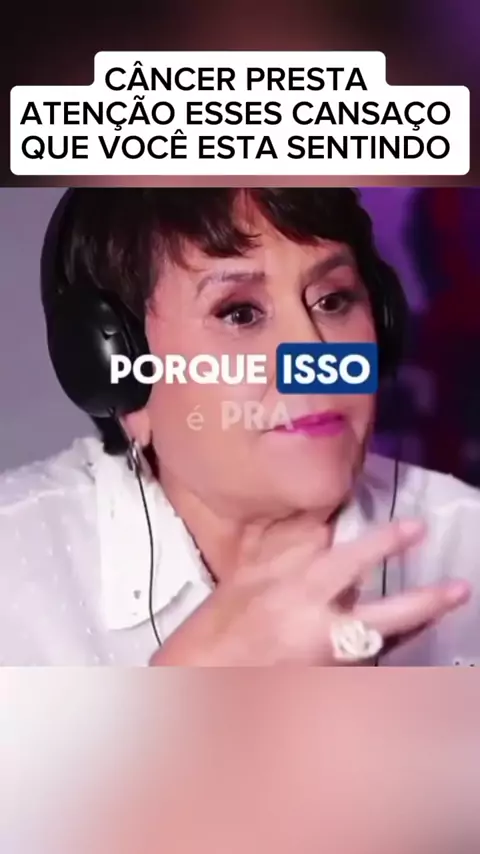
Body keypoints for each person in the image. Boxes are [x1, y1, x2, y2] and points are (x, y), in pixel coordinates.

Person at [0, 187, 478, 667]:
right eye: (240, 313)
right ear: (114, 368)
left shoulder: (465, 541)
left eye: (333, 300)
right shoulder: (16, 569)